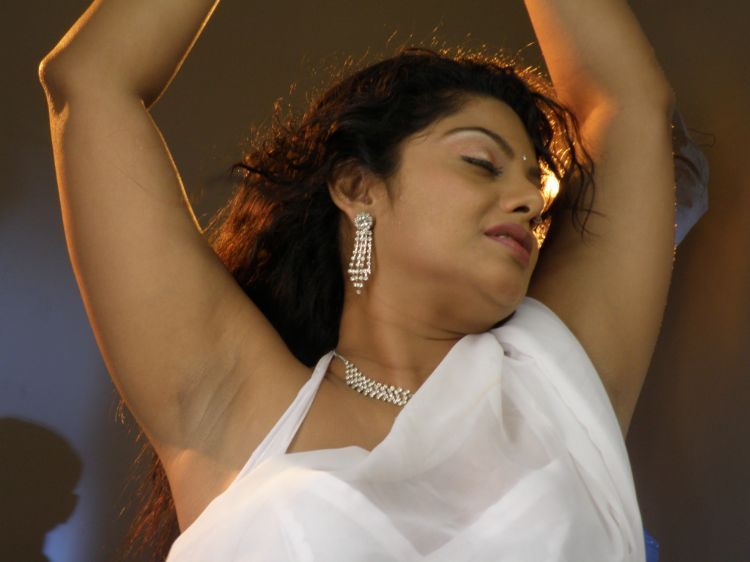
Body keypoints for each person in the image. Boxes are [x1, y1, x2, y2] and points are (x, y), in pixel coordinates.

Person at [38, 0, 684, 560]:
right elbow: (93, 80)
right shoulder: (233, 404)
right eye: (481, 162)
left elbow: (628, 108)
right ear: (356, 186)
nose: (529, 199)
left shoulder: (560, 377)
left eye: (534, 186)